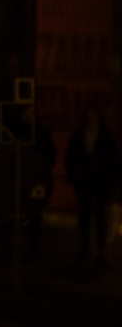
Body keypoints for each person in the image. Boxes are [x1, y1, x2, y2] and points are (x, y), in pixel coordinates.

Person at [66, 108, 120, 269]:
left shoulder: (105, 137)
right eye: (88, 116)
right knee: (84, 215)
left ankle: (101, 249)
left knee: (100, 215)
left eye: (93, 116)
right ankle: (86, 247)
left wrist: (111, 178)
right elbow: (71, 157)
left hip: (101, 181)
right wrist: (76, 174)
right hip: (85, 181)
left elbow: (113, 159)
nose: (91, 119)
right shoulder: (80, 136)